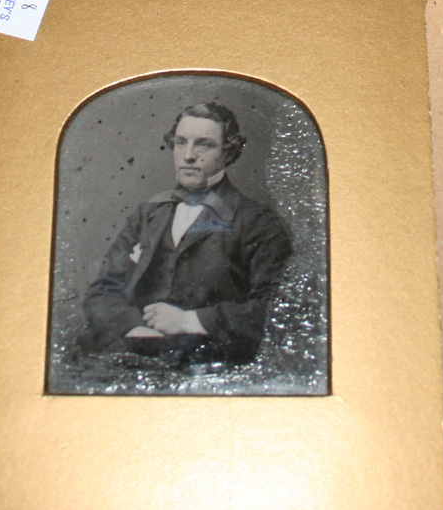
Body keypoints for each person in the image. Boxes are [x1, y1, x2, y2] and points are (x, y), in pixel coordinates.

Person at [82, 102, 292, 364]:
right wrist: (133, 328)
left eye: (204, 145)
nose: (188, 155)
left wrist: (190, 320)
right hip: (136, 360)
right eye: (181, 142)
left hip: (214, 367)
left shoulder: (258, 222)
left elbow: (278, 310)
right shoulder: (147, 214)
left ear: (228, 152)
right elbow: (101, 291)